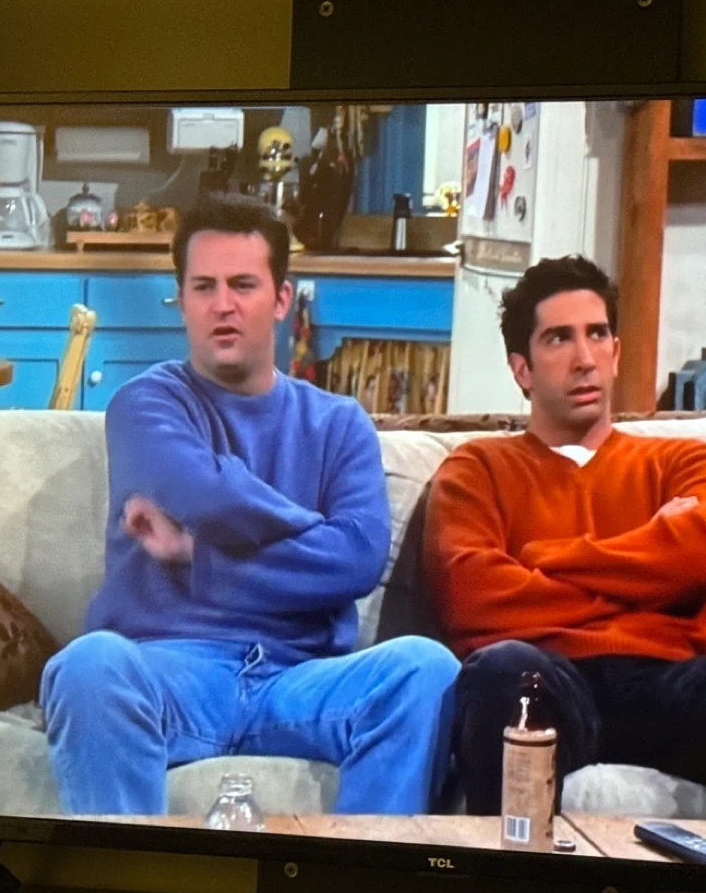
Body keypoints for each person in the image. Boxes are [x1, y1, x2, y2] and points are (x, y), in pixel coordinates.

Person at [41, 193, 459, 817]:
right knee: (87, 664)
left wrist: (199, 554)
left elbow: (357, 560)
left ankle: (356, 878)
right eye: (203, 287)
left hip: (299, 679)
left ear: (282, 299)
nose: (223, 305)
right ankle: (128, 872)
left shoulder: (339, 423)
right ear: (181, 299)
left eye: (243, 284)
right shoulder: (145, 405)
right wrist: (314, 530)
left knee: (425, 668)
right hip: (170, 673)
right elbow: (207, 497)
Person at [423, 255, 706, 826]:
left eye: (597, 335)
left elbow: (699, 558)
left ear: (615, 351)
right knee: (502, 670)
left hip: (672, 683)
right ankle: (512, 881)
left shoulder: (683, 460)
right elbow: (470, 593)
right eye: (559, 339)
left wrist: (544, 559)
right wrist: (648, 573)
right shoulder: (478, 468)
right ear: (522, 369)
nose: (584, 358)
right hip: (550, 678)